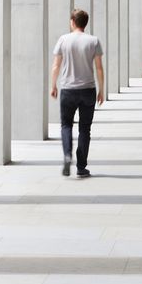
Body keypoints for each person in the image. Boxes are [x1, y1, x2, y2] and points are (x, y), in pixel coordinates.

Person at [50, 9, 104, 178]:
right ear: (85, 23)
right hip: (88, 89)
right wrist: (101, 90)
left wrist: (53, 85)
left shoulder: (63, 40)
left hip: (68, 89)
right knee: (85, 129)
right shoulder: (93, 41)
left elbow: (56, 66)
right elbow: (99, 68)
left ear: (73, 21)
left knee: (66, 125)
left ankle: (67, 155)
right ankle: (81, 166)